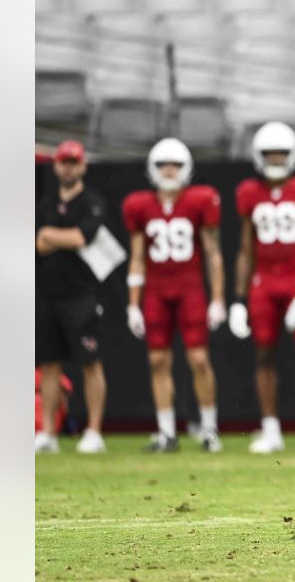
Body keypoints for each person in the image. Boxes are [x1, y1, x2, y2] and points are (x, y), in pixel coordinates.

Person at [229, 122, 295, 454]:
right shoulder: (249, 193)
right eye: (269, 154)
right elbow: (245, 249)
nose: (275, 160)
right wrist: (239, 299)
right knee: (263, 354)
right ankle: (270, 428)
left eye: (281, 154)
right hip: (263, 281)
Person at [122, 138, 227, 452]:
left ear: (187, 168)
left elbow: (213, 253)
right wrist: (133, 304)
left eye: (176, 164)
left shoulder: (200, 200)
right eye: (163, 164)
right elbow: (137, 256)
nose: (169, 170)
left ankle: (209, 428)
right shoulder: (139, 205)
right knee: (157, 361)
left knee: (198, 359)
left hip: (189, 287)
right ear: (152, 168)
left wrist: (218, 298)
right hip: (156, 289)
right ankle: (166, 431)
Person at [35, 140, 110, 454]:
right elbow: (39, 244)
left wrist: (54, 236)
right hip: (49, 294)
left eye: (73, 162)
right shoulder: (46, 204)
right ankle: (48, 433)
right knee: (49, 365)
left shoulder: (91, 202)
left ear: (83, 166)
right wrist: (56, 238)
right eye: (63, 162)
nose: (67, 167)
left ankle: (94, 432)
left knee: (89, 362)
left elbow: (82, 237)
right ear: (55, 166)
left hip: (81, 295)